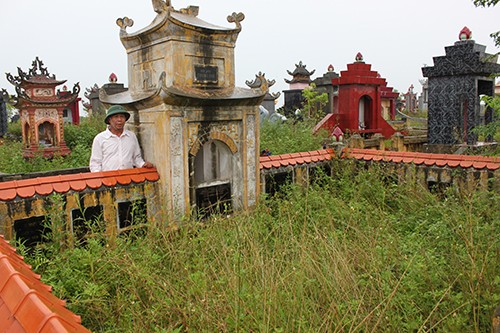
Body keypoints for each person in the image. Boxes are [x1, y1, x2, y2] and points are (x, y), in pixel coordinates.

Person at [89, 105, 154, 172]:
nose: (119, 120)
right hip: (108, 179)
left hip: (129, 177)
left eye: (122, 117)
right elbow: (95, 164)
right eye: (116, 117)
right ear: (109, 120)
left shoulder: (131, 136)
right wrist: (100, 179)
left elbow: (137, 158)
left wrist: (143, 164)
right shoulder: (100, 138)